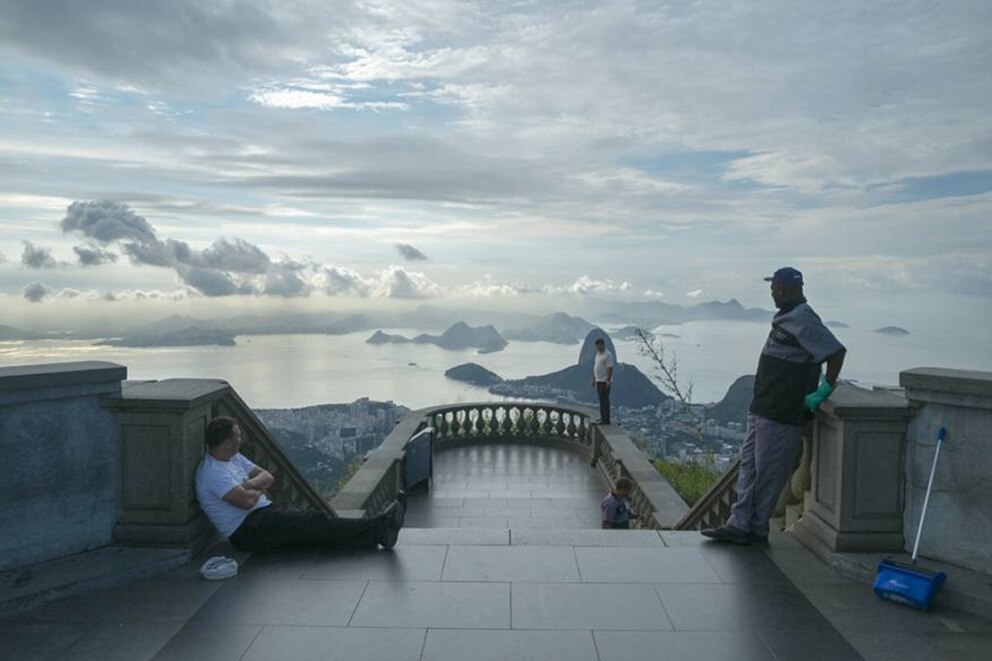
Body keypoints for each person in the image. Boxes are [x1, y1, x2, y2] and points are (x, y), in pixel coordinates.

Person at [702, 267, 846, 545]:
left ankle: (753, 527)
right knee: (750, 468)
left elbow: (836, 352)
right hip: (763, 408)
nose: (771, 292)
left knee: (768, 473)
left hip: (782, 412)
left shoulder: (804, 318)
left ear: (783, 288)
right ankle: (740, 523)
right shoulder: (786, 317)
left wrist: (824, 389)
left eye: (774, 288)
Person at [195, 416, 405, 552]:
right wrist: (257, 488)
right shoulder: (212, 472)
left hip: (262, 516)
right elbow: (247, 502)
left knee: (314, 529)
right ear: (226, 442)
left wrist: (248, 484)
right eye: (238, 436)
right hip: (247, 531)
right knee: (315, 523)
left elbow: (268, 476)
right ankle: (380, 524)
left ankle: (378, 534)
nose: (241, 439)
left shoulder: (233, 457)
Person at [591, 338, 615, 424]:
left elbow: (610, 368)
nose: (597, 348)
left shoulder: (608, 355)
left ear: (602, 345)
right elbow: (596, 367)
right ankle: (602, 417)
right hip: (598, 380)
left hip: (604, 381)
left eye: (598, 346)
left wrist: (608, 381)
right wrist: (593, 379)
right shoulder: (598, 354)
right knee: (601, 400)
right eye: (596, 346)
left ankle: (606, 419)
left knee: (604, 400)